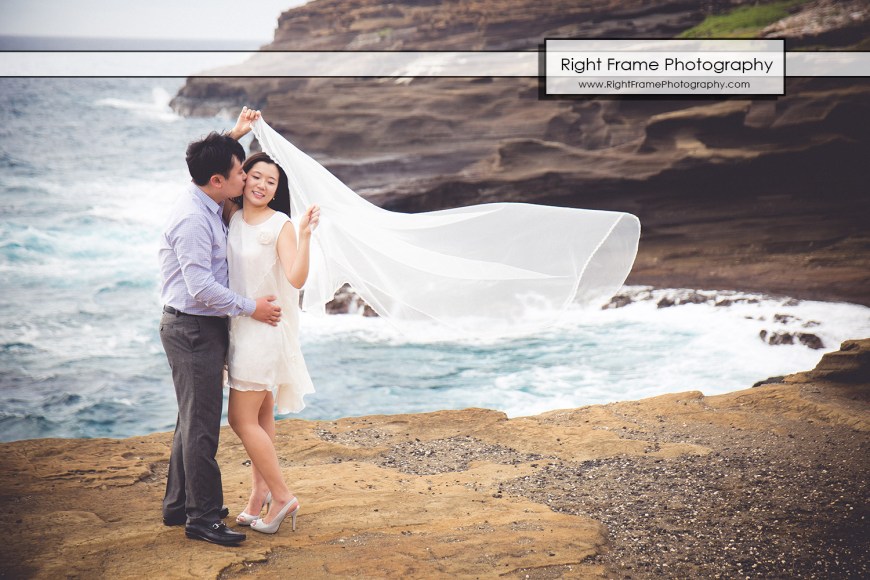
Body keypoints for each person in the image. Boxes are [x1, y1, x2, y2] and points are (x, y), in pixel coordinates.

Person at [158, 116, 283, 546]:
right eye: (240, 171)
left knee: (189, 421)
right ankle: (203, 518)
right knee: (202, 428)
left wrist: (232, 137)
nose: (247, 177)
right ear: (217, 180)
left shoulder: (203, 193)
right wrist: (253, 308)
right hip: (193, 328)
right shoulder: (193, 219)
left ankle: (178, 506)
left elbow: (208, 163)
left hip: (199, 327)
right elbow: (202, 288)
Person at [222, 111, 319, 534]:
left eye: (271, 182)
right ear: (243, 177)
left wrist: (306, 235)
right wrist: (236, 135)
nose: (261, 185)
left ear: (278, 191)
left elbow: (295, 278)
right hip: (240, 326)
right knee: (261, 422)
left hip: (263, 330)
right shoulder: (231, 215)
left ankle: (283, 498)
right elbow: (207, 176)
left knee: (240, 421)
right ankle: (256, 500)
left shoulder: (280, 224)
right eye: (255, 176)